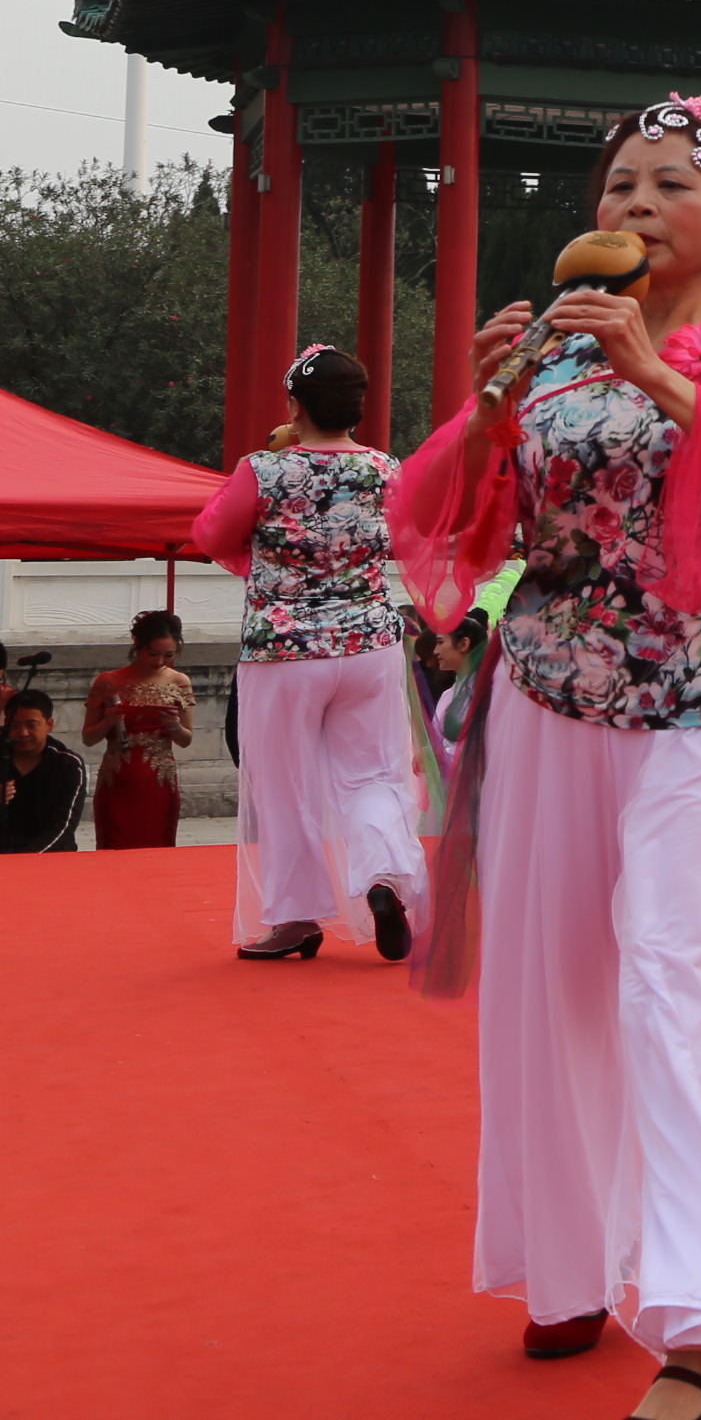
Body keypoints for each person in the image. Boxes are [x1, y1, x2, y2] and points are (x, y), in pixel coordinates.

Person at [390, 94, 701, 1420]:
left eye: (671, 187)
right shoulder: (556, 354)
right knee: (547, 989)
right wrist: (486, 404)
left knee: (668, 984)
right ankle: (570, 1261)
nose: (636, 209)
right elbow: (438, 512)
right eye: (619, 186)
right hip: (547, 695)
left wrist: (657, 372)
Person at [191, 344, 427, 962]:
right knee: (373, 773)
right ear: (355, 409)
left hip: (285, 649)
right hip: (369, 645)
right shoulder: (385, 468)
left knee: (284, 785)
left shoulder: (264, 470)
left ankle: (296, 919)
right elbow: (405, 540)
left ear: (294, 406)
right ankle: (384, 879)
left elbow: (211, 533)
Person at [78, 610, 194, 850]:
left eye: (168, 655)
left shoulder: (179, 681)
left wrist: (173, 725)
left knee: (158, 849)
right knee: (114, 850)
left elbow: (186, 740)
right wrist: (109, 721)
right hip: (118, 777)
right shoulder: (108, 681)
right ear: (137, 644)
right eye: (153, 654)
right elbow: (88, 737)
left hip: (158, 780)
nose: (160, 661)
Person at [2, 688, 90, 852]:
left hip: (48, 853)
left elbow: (63, 827)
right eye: (14, 725)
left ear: (49, 724)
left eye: (31, 725)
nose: (23, 733)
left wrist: (26, 860)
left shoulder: (68, 764)